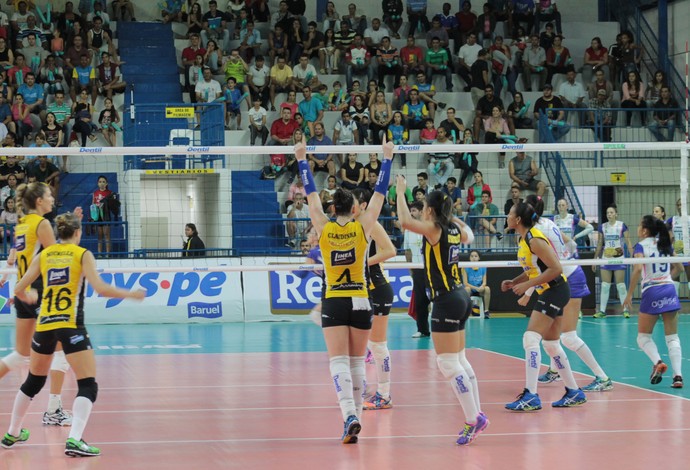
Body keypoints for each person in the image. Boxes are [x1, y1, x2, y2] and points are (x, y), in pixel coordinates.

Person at [3, 211, 145, 456]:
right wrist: (130, 295)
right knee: (88, 385)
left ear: (59, 233)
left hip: (45, 323)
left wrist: (29, 297)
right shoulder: (82, 254)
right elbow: (100, 288)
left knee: (33, 381)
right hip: (70, 325)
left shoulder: (45, 254)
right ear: (78, 233)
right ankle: (74, 440)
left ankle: (12, 432)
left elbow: (17, 288)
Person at [294, 135, 393, 443]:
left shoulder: (323, 228)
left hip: (334, 300)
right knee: (355, 362)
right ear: (354, 209)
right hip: (362, 300)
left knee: (338, 363)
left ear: (333, 207)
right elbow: (379, 194)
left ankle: (349, 415)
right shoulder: (363, 227)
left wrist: (301, 159)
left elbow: (310, 195)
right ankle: (357, 419)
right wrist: (387, 157)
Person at [395, 175, 487, 445]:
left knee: (447, 363)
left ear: (431, 211)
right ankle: (477, 413)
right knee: (460, 360)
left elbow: (404, 222)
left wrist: (401, 192)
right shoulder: (455, 229)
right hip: (460, 296)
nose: (422, 211)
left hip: (447, 300)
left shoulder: (435, 229)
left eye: (424, 207)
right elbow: (469, 235)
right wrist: (455, 217)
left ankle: (474, 419)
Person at [519, 196, 612, 392]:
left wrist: (527, 290)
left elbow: (540, 266)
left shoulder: (537, 232)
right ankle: (555, 371)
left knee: (568, 337)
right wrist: (567, 256)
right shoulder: (547, 222)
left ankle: (602, 377)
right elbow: (571, 244)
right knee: (553, 338)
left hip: (569, 278)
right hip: (564, 276)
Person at [0, 183, 74, 428]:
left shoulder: (22, 224)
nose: (53, 198)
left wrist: (17, 286)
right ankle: (53, 409)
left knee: (20, 355)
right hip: (41, 294)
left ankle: (53, 409)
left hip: (23, 293)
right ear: (39, 200)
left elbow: (16, 254)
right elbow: (54, 260)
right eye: (49, 195)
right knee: (61, 350)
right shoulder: (41, 224)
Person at [502, 201, 587, 411]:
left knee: (531, 338)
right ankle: (574, 391)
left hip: (555, 290)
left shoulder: (535, 239)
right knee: (551, 344)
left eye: (510, 213)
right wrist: (516, 280)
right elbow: (534, 268)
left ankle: (531, 395)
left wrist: (527, 286)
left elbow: (556, 268)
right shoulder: (525, 239)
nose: (507, 216)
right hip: (551, 290)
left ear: (518, 220)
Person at [349, 188, 397, 411]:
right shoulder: (352, 225)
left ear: (364, 205)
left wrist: (364, 262)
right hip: (362, 290)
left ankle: (384, 395)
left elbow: (391, 250)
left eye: (354, 202)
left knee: (378, 345)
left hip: (378, 288)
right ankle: (363, 387)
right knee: (361, 343)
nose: (351, 206)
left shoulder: (371, 223)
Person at [623, 215, 683, 388]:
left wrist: (629, 294)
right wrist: (666, 279)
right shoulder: (665, 244)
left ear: (645, 230)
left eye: (640, 225)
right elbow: (679, 268)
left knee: (643, 337)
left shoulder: (640, 246)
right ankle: (678, 376)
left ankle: (657, 362)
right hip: (669, 289)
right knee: (672, 338)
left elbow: (636, 270)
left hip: (651, 291)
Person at [593, 204, 633, 318]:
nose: (609, 214)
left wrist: (633, 257)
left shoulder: (621, 226)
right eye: (607, 213)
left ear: (616, 214)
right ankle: (602, 311)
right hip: (606, 259)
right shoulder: (602, 227)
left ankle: (625, 310)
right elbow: (600, 243)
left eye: (611, 212)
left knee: (620, 285)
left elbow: (628, 242)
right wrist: (595, 258)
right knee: (605, 285)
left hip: (619, 259)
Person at [403, 201, 430, 338]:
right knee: (420, 301)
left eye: (413, 210)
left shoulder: (430, 226)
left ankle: (443, 327)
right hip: (418, 268)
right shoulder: (409, 229)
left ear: (421, 211)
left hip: (431, 268)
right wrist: (410, 267)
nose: (411, 213)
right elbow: (407, 251)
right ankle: (423, 330)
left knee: (437, 298)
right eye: (410, 211)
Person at [462, 250, 491, 318]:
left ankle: (486, 311)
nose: (474, 258)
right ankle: (467, 311)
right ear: (469, 258)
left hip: (479, 289)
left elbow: (484, 282)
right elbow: (465, 283)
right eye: (472, 256)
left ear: (479, 258)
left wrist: (481, 287)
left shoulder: (483, 267)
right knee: (467, 289)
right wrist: (475, 288)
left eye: (475, 256)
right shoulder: (465, 267)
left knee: (487, 289)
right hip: (471, 289)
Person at [91, 175, 112, 254]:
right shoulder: (95, 193)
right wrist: (92, 217)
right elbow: (92, 205)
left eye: (103, 182)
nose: (102, 183)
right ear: (97, 183)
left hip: (106, 215)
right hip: (98, 215)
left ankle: (108, 254)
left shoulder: (109, 193)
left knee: (106, 235)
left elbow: (112, 205)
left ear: (106, 184)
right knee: (99, 236)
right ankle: (99, 254)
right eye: (100, 182)